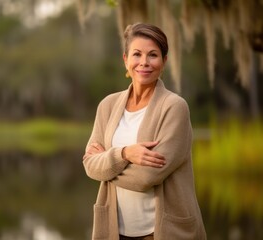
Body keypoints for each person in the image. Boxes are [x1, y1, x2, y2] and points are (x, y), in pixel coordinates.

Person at [82, 23, 206, 240]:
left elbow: (148, 176)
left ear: (164, 61)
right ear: (125, 60)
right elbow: (89, 165)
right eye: (137, 54)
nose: (144, 62)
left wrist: (104, 166)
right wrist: (125, 153)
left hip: (162, 232)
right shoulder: (107, 106)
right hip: (114, 231)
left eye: (153, 55)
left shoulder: (174, 107)